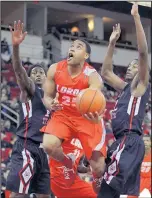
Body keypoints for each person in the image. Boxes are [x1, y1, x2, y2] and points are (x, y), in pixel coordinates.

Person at [41, 38, 107, 193]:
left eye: (78, 47)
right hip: (63, 115)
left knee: (98, 168)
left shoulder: (91, 74)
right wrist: (50, 104)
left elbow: (96, 90)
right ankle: (68, 162)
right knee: (48, 145)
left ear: (85, 56)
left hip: (86, 119)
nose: (73, 48)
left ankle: (98, 188)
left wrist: (95, 108)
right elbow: (47, 97)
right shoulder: (55, 69)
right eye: (71, 46)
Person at [99, 3, 150, 198]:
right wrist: (112, 43)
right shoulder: (125, 88)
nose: (130, 67)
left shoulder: (141, 85)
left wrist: (136, 17)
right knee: (116, 192)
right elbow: (105, 73)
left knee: (107, 189)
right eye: (128, 66)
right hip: (121, 142)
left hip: (129, 141)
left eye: (134, 66)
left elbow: (143, 53)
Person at [6, 20, 51, 198]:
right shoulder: (31, 90)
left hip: (45, 151)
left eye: (41, 72)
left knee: (44, 195)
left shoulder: (53, 98)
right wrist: (16, 48)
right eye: (34, 72)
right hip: (27, 146)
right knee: (21, 194)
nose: (38, 74)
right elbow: (18, 71)